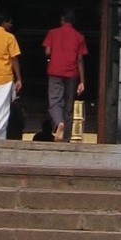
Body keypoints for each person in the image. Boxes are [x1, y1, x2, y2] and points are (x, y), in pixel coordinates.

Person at [42, 8, 86, 142]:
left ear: (62, 20)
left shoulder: (53, 33)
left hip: (55, 71)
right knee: (68, 106)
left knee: (55, 100)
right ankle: (66, 138)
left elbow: (48, 52)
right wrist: (82, 81)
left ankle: (58, 123)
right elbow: (79, 59)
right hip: (72, 73)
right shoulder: (79, 36)